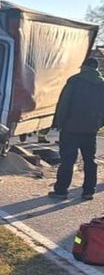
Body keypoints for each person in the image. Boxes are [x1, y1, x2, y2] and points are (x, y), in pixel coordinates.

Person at [49, 57, 104, 200]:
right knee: (90, 160)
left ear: (84, 67)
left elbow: (64, 104)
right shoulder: (102, 84)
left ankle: (61, 190)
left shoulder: (74, 81)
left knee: (67, 160)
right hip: (91, 129)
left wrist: (59, 124)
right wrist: (98, 124)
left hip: (71, 128)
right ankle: (88, 191)